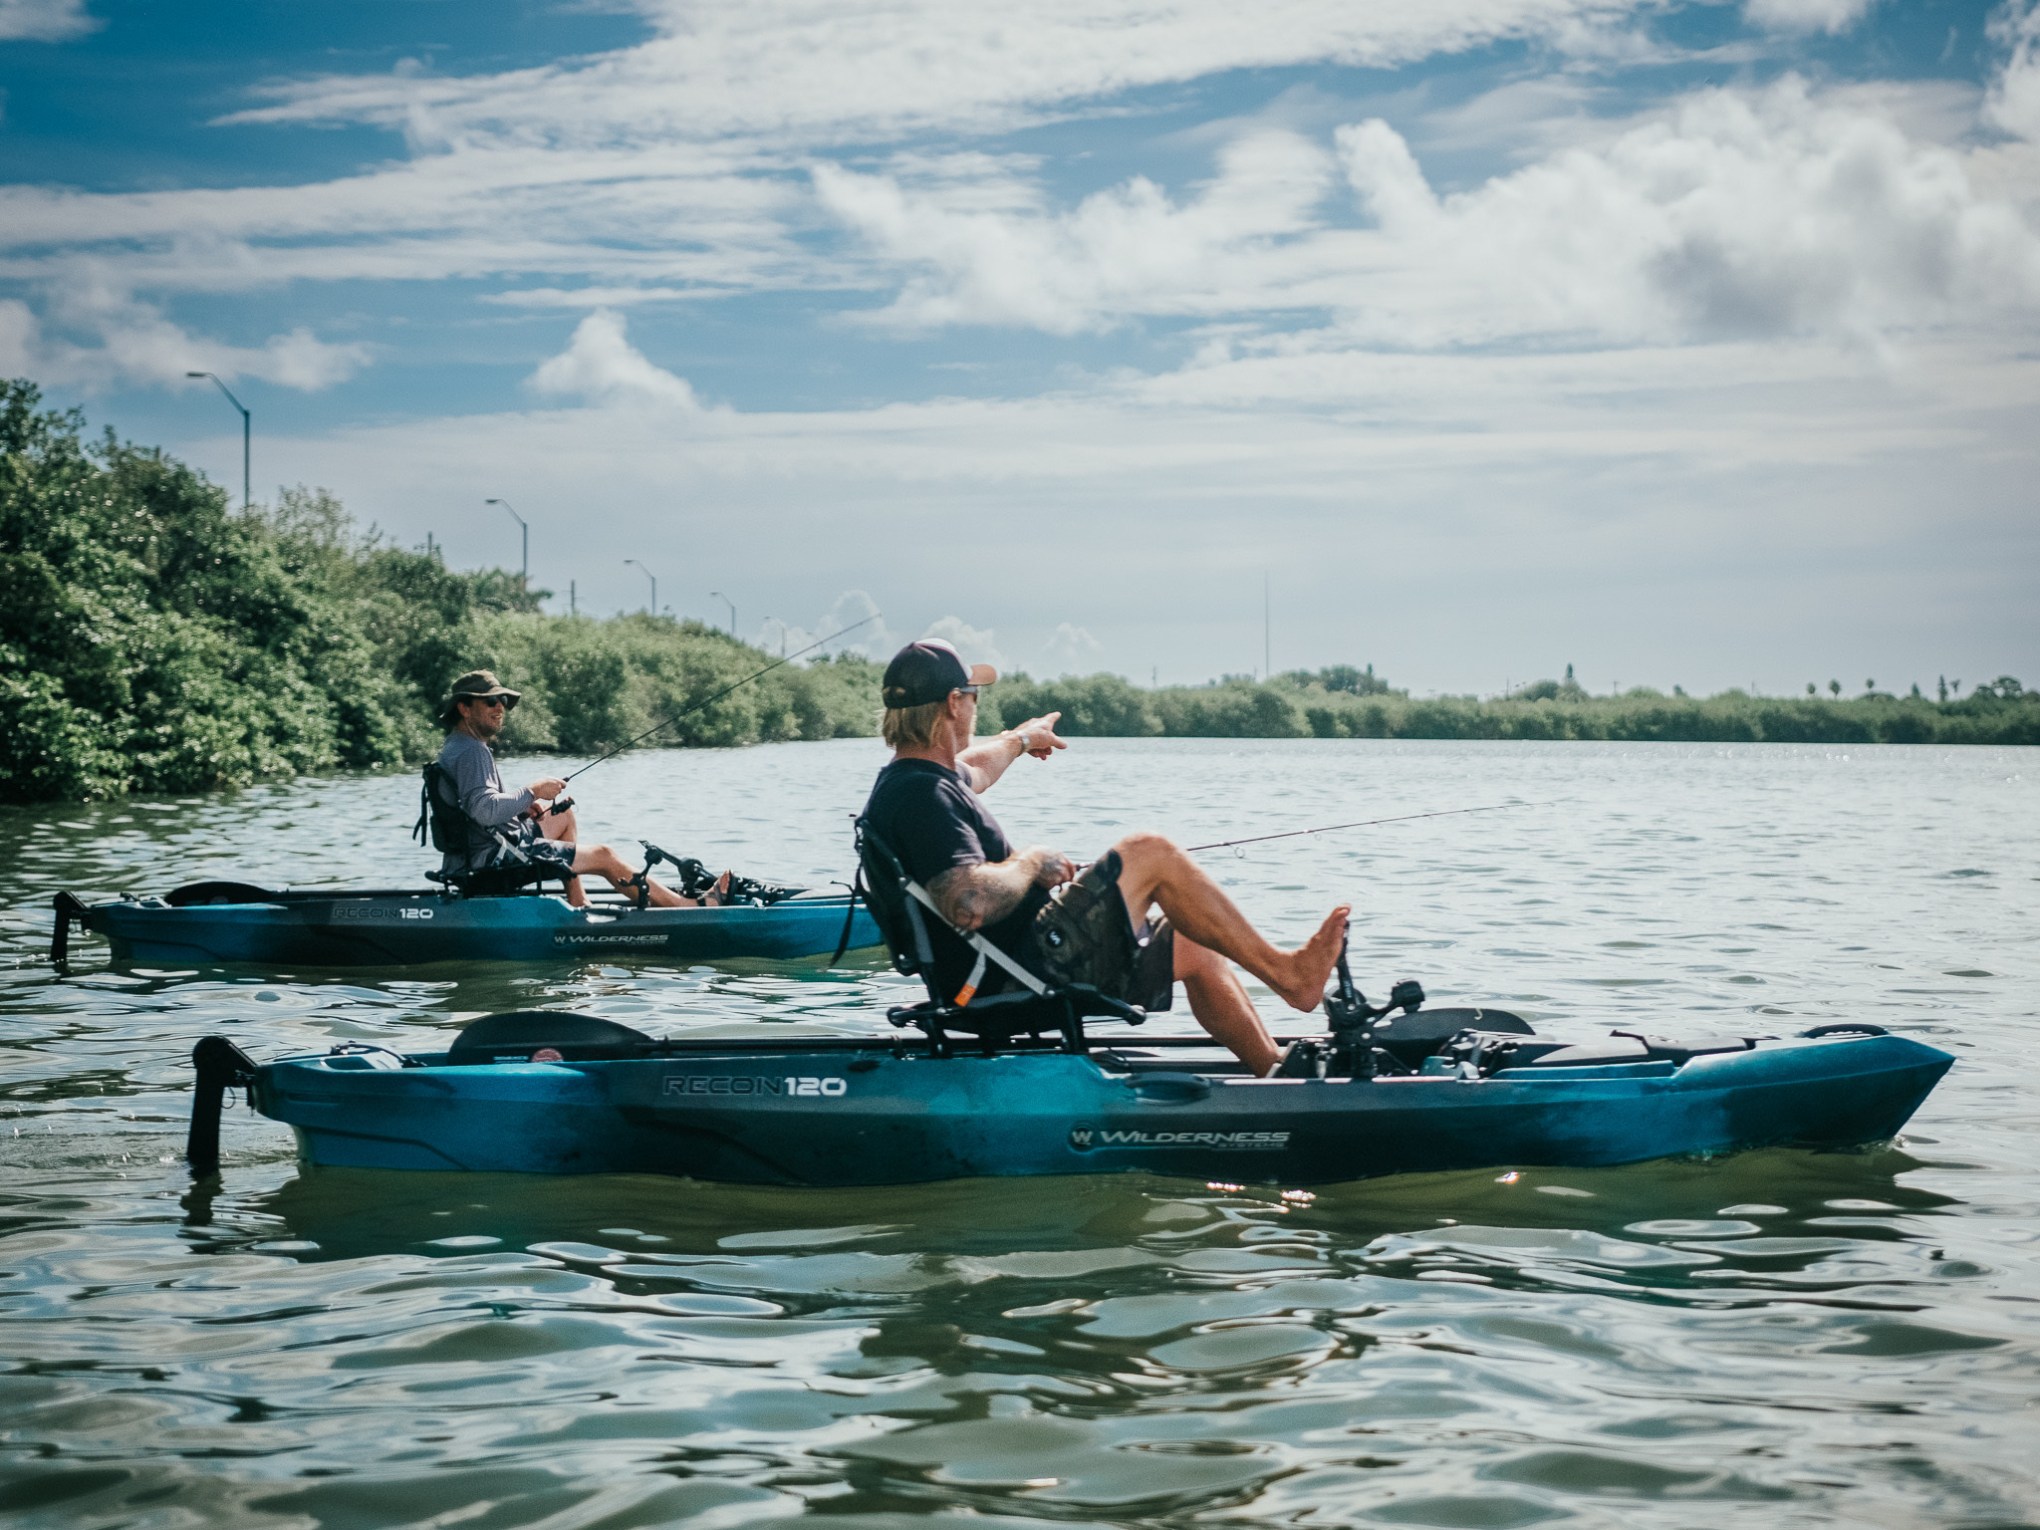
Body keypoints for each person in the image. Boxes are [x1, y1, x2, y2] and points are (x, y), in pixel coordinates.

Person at [860, 639, 1350, 1075]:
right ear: (953, 704)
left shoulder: (916, 781)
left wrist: (1022, 739)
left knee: (1193, 936)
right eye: (973, 695)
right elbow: (967, 902)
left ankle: (1273, 1071)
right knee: (1149, 851)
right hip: (1020, 972)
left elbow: (977, 768)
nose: (975, 706)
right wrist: (1031, 862)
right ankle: (1290, 977)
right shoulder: (924, 797)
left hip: (1007, 964)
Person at [433, 670, 706, 909]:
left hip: (480, 851)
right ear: (464, 708)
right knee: (604, 856)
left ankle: (577, 899)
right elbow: (484, 810)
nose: (500, 708)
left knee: (562, 815)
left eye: (502, 701)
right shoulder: (472, 752)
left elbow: (474, 809)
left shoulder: (457, 745)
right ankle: (686, 906)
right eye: (490, 701)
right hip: (495, 860)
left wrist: (522, 808)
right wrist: (533, 791)